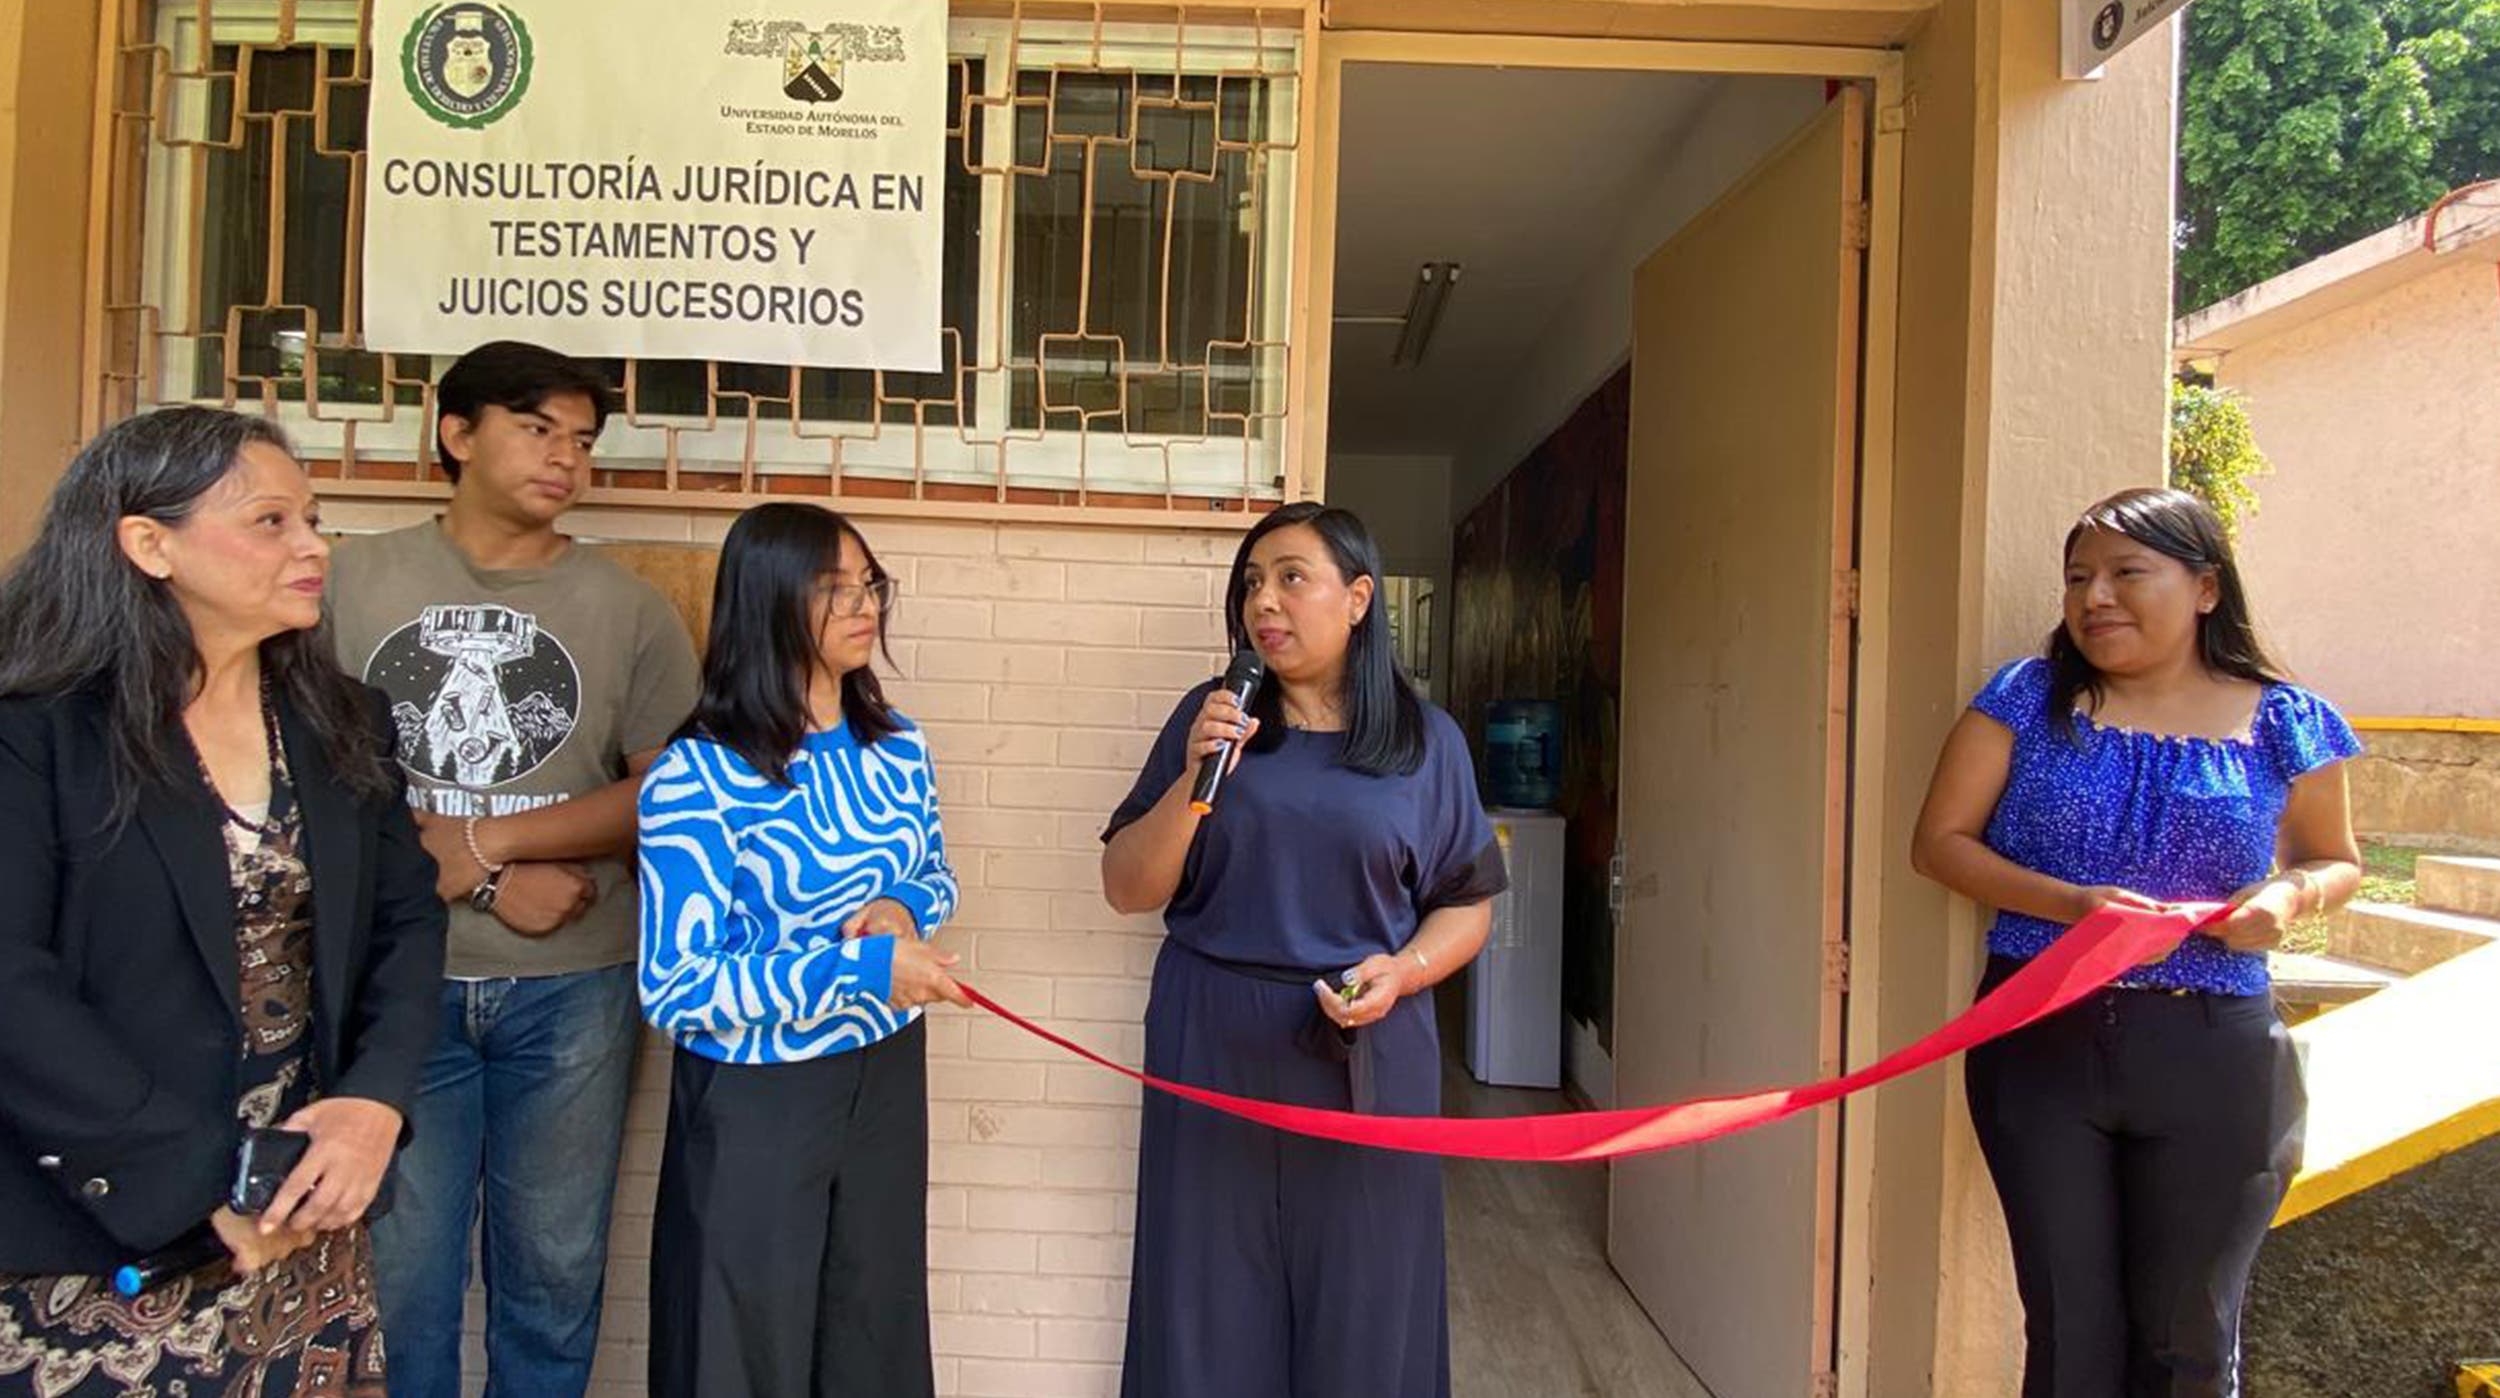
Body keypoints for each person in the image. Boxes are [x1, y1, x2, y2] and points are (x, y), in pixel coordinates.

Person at [0, 407, 446, 1395]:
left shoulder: (342, 721)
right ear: (148, 544)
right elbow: (11, 986)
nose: (313, 546)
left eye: (312, 519)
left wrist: (373, 1105)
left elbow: (408, 923)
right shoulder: (34, 729)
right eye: (270, 522)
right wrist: (201, 1178)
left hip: (300, 1222)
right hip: (89, 1228)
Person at [1910, 487, 2364, 1397]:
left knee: (2189, 1334)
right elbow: (1939, 843)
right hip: (2041, 1039)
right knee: (2070, 1330)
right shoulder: (2026, 698)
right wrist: (2074, 905)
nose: (2095, 597)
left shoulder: (2287, 720)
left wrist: (2289, 896)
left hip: (2216, 1050)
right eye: (2078, 577)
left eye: (2126, 573)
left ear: (2206, 588)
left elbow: (2337, 860)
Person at [326, 342, 700, 1398]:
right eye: (537, 429)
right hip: (395, 982)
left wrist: (487, 848)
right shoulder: (351, 579)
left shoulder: (629, 608)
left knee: (554, 1271)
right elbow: (308, 772)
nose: (565, 456)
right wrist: (484, 880)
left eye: (581, 438)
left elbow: (672, 798)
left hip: (572, 982)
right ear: (457, 433)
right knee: (402, 1273)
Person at [1100, 501, 1508, 1398]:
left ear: (1358, 599)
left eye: (1292, 578)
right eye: (1252, 582)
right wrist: (1197, 777)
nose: (1264, 602)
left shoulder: (1425, 741)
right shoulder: (1209, 719)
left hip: (1367, 1046)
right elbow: (1127, 887)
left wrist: (1406, 970)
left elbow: (1467, 906)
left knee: (1366, 1302)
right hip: (1212, 1039)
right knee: (1206, 1298)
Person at [635, 502, 966, 1398]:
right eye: (832, 588)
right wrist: (860, 969)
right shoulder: (698, 774)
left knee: (872, 1326)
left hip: (883, 1070)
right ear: (767, 601)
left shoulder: (898, 746)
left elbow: (936, 873)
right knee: (741, 1342)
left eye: (869, 583)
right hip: (756, 1093)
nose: (864, 605)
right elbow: (676, 985)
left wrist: (903, 907)